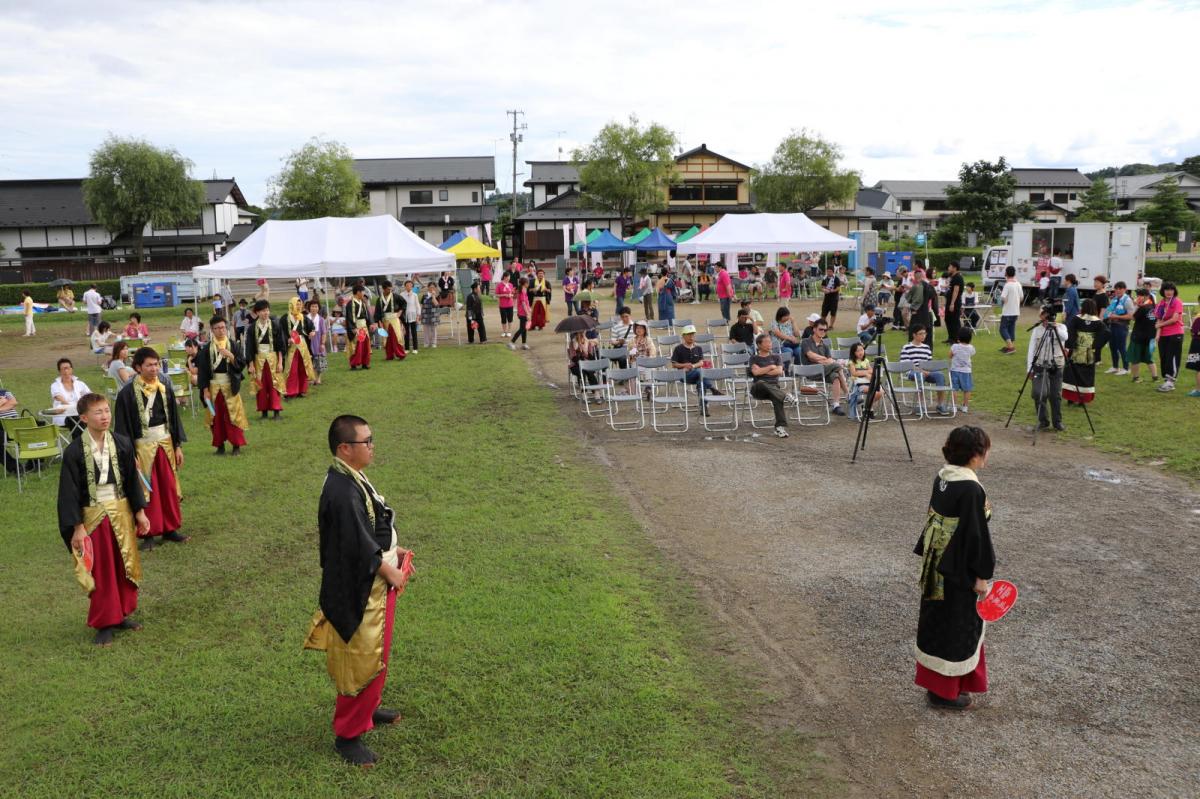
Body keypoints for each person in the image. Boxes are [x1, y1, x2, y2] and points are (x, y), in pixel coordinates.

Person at [303, 415, 414, 768]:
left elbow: (369, 527)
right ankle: (347, 736)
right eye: (366, 441)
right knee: (360, 657)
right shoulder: (341, 489)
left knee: (377, 651)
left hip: (374, 582)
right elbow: (353, 543)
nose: (372, 446)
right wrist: (388, 568)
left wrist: (393, 552)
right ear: (344, 448)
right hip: (360, 589)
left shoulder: (351, 476)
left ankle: (369, 707)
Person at [57, 392, 151, 647]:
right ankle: (104, 622)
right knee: (102, 570)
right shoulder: (74, 451)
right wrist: (77, 527)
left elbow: (132, 480)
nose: (105, 416)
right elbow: (69, 493)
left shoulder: (122, 442)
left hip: (121, 512)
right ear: (84, 418)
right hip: (93, 516)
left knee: (123, 565)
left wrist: (140, 512)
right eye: (98, 412)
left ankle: (121, 614)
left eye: (107, 411)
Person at [913, 425, 995, 710]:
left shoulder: (943, 477)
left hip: (937, 562)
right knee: (957, 624)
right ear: (975, 455)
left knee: (937, 619)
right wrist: (981, 575)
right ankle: (945, 692)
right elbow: (974, 535)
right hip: (958, 567)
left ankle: (936, 686)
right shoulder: (971, 488)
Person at [113, 346, 188, 551]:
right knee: (146, 490)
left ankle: (170, 528)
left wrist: (177, 446)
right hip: (142, 448)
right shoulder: (127, 394)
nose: (154, 369)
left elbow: (174, 419)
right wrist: (130, 455)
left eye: (156, 364)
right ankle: (148, 533)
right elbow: (122, 428)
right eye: (149, 365)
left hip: (165, 443)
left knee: (168, 487)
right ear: (138, 367)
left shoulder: (164, 387)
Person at [197, 316, 248, 455]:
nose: (221, 330)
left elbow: (241, 364)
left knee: (233, 415)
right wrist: (205, 390)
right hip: (213, 387)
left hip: (230, 386)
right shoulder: (206, 349)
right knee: (215, 417)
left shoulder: (233, 345)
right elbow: (202, 371)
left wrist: (231, 356)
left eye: (223, 327)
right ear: (212, 330)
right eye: (217, 328)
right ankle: (220, 446)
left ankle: (236, 445)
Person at [1027, 305, 1069, 431]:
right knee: (1038, 393)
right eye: (1043, 315)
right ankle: (1043, 420)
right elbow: (1031, 349)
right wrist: (1029, 368)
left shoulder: (1061, 327)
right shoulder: (1037, 330)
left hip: (1056, 365)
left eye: (1047, 315)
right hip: (1039, 365)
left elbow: (1065, 337)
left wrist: (1054, 327)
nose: (1045, 318)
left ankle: (1057, 422)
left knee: (1055, 395)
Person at [1062, 298, 1109, 406]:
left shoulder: (1076, 319)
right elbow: (1106, 333)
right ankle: (1082, 399)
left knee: (1072, 373)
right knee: (1086, 375)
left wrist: (1071, 344)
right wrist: (1095, 345)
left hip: (1076, 351)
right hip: (1089, 352)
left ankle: (1071, 398)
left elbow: (1069, 331)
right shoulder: (1098, 322)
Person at [244, 299, 284, 420]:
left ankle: (276, 411)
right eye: (262, 311)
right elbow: (249, 347)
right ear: (257, 312)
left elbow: (280, 345)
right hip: (258, 360)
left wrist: (280, 362)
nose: (265, 313)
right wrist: (251, 364)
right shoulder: (252, 328)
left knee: (274, 385)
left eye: (267, 310)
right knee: (260, 386)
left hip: (273, 359)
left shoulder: (275, 325)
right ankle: (264, 412)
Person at [899, 326, 951, 415]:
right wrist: (921, 371)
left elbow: (929, 363)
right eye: (921, 334)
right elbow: (905, 365)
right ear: (914, 335)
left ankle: (940, 404)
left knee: (940, 375)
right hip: (912, 372)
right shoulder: (906, 347)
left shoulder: (926, 348)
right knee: (920, 375)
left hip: (926, 371)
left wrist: (927, 371)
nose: (923, 336)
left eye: (924, 333)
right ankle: (920, 405)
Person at [799, 319, 847, 415]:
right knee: (837, 365)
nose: (823, 332)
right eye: (821, 329)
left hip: (823, 371)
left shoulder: (825, 346)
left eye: (825, 330)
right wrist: (824, 359)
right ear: (814, 329)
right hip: (809, 371)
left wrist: (821, 360)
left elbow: (829, 361)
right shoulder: (805, 341)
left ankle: (836, 405)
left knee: (836, 376)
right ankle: (848, 394)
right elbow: (810, 355)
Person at [750, 333, 793, 438]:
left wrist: (762, 371)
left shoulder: (776, 357)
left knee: (777, 397)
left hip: (774, 388)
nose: (769, 344)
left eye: (770, 342)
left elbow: (779, 371)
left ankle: (780, 427)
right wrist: (770, 367)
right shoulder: (754, 358)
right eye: (766, 342)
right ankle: (785, 396)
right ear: (759, 345)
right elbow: (756, 373)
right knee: (761, 382)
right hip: (758, 389)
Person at [670, 325, 721, 413]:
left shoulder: (698, 348)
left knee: (701, 381)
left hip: (697, 374)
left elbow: (701, 363)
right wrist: (684, 365)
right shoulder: (678, 349)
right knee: (701, 373)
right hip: (684, 375)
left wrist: (692, 366)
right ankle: (712, 388)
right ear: (683, 336)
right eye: (689, 334)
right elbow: (674, 364)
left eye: (693, 334)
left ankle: (703, 407)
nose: (691, 337)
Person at [280, 297, 317, 398]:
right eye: (297, 304)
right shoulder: (284, 318)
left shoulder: (303, 317)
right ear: (291, 305)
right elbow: (280, 332)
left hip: (302, 346)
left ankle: (302, 390)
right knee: (291, 369)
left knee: (303, 368)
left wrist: (312, 332)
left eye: (300, 304)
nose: (299, 306)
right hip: (291, 346)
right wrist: (286, 339)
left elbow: (311, 326)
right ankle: (290, 391)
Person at [1153, 282, 1186, 392]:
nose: (1169, 292)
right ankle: (1167, 381)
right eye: (1166, 289)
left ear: (1174, 291)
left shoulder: (1177, 302)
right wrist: (1157, 335)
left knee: (1172, 357)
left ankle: (1171, 382)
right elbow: (1159, 319)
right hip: (1163, 334)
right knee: (1164, 358)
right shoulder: (1161, 303)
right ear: (1163, 291)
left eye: (1171, 290)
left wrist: (1160, 325)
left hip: (1176, 333)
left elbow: (1174, 319)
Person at [51, 357, 91, 436]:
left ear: (72, 369)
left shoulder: (80, 384)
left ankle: (86, 439)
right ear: (59, 371)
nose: (66, 371)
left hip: (80, 413)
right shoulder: (55, 385)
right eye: (63, 369)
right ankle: (81, 441)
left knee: (86, 417)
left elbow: (90, 396)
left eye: (68, 368)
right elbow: (60, 398)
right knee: (78, 418)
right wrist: (72, 407)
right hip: (63, 415)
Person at [1101, 281, 1134, 375]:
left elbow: (1131, 316)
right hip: (1112, 325)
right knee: (1113, 346)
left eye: (1120, 289)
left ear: (1125, 289)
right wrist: (1108, 316)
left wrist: (1116, 316)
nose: (1118, 291)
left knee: (1121, 347)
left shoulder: (1127, 300)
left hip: (1122, 326)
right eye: (1116, 289)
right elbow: (1109, 311)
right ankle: (1115, 367)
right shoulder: (1114, 299)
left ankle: (1126, 368)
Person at [1128, 288, 1160, 384]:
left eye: (1139, 296)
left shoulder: (1143, 308)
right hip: (1150, 336)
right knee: (1149, 358)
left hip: (1138, 336)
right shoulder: (1154, 306)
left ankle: (1136, 378)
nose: (1138, 297)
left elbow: (1133, 317)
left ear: (1146, 296)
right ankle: (1155, 377)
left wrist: (1135, 306)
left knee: (1135, 358)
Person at [846, 341, 882, 421]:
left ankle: (867, 407)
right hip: (858, 384)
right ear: (853, 352)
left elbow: (872, 371)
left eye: (862, 350)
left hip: (868, 382)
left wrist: (863, 372)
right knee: (872, 391)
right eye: (858, 351)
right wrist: (866, 373)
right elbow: (854, 373)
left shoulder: (866, 360)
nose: (860, 352)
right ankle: (869, 410)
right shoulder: (852, 362)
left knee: (880, 393)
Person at [372, 281, 407, 362]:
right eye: (388, 289)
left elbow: (404, 303)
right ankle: (389, 355)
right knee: (387, 338)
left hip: (394, 319)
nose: (390, 290)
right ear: (384, 289)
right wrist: (378, 322)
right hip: (385, 321)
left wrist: (400, 311)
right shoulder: (379, 299)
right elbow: (377, 312)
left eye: (391, 289)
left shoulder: (395, 296)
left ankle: (401, 354)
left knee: (396, 337)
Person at [346, 284, 375, 369]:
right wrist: (353, 328)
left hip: (364, 327)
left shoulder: (363, 302)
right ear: (358, 292)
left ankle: (365, 363)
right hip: (356, 327)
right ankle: (354, 364)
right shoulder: (350, 304)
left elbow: (367, 315)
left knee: (365, 346)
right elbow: (349, 317)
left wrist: (370, 324)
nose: (363, 294)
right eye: (362, 292)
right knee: (357, 346)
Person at [906, 268, 938, 343]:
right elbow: (933, 296)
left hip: (917, 312)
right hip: (927, 312)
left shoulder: (916, 286)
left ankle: (915, 347)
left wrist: (913, 309)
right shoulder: (928, 285)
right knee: (926, 333)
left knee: (915, 331)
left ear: (915, 277)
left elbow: (911, 299)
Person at [950, 328, 976, 414]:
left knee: (954, 388)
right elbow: (972, 354)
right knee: (967, 389)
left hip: (955, 370)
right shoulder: (971, 348)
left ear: (959, 337)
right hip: (966, 371)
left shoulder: (954, 346)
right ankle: (965, 406)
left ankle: (954, 406)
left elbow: (950, 355)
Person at [999, 266, 1022, 355]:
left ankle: (1011, 346)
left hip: (1008, 311)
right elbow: (1021, 297)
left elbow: (1003, 297)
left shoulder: (1007, 285)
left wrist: (1006, 302)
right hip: (1016, 311)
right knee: (1011, 328)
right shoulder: (1018, 284)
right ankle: (1009, 346)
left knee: (1002, 329)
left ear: (1006, 273)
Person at [943, 262, 964, 345]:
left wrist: (952, 303)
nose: (948, 268)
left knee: (954, 320)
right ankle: (951, 338)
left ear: (954, 268)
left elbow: (956, 291)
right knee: (948, 319)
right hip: (950, 301)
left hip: (955, 302)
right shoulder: (952, 277)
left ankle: (957, 339)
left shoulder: (958, 277)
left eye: (950, 267)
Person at [508, 276, 531, 351]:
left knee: (524, 329)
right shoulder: (522, 292)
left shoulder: (523, 290)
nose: (528, 284)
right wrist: (527, 313)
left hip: (524, 312)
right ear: (525, 284)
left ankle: (524, 343)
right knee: (522, 329)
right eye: (528, 283)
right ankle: (511, 342)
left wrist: (529, 309)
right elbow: (523, 304)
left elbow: (526, 303)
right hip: (523, 313)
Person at [399, 280, 421, 353]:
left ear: (412, 286)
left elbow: (417, 306)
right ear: (405, 286)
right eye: (407, 285)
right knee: (406, 333)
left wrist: (418, 316)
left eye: (410, 285)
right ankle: (407, 348)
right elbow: (400, 306)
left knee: (414, 332)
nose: (408, 286)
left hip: (413, 316)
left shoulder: (415, 295)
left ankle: (415, 348)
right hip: (405, 316)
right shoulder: (401, 295)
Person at [1186, 297, 1200, 397]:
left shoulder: (1198, 318)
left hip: (1198, 343)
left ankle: (1199, 390)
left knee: (1199, 368)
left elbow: (1194, 331)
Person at [819, 265, 841, 329]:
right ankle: (823, 325)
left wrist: (832, 291)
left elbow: (838, 288)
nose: (829, 273)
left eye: (830, 271)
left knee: (833, 313)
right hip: (826, 298)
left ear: (833, 272)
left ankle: (831, 325)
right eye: (828, 271)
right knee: (823, 312)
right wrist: (824, 290)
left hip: (834, 298)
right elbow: (822, 286)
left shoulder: (836, 278)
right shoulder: (825, 278)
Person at [495, 272, 516, 338]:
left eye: (509, 277)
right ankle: (504, 331)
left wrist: (511, 295)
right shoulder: (499, 285)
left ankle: (509, 331)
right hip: (502, 305)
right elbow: (496, 295)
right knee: (503, 318)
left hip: (510, 304)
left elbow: (513, 293)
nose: (509, 278)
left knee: (510, 318)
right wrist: (504, 295)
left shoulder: (510, 285)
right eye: (508, 277)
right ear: (504, 277)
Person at [421, 280, 440, 349]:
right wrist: (420, 314)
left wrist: (433, 296)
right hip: (425, 314)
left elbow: (436, 304)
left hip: (434, 315)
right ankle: (426, 343)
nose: (432, 288)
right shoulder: (424, 296)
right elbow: (422, 305)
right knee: (426, 330)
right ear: (428, 287)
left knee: (433, 330)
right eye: (430, 287)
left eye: (433, 287)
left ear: (435, 288)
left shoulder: (437, 295)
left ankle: (434, 343)